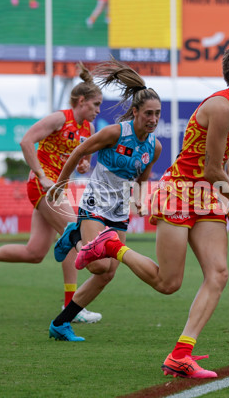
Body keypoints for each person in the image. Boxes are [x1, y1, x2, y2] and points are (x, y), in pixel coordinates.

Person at [73, 39, 229, 379]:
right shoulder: (222, 108)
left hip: (206, 194)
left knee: (218, 274)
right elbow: (211, 169)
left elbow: (217, 168)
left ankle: (181, 354)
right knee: (168, 283)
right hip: (180, 191)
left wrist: (228, 203)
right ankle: (111, 246)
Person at [0, 63, 103, 324]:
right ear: (81, 101)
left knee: (34, 253)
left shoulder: (88, 129)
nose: (98, 110)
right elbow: (26, 140)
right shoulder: (59, 118)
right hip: (44, 187)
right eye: (96, 104)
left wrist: (83, 163)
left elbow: (81, 158)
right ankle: (72, 308)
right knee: (74, 233)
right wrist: (42, 175)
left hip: (56, 188)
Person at [46, 58, 161, 341]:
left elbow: (143, 178)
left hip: (120, 211)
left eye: (158, 114)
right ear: (135, 111)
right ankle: (73, 236)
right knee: (97, 264)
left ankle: (61, 323)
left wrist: (139, 201)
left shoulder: (153, 146)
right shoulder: (113, 133)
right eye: (148, 113)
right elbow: (78, 152)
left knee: (107, 273)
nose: (154, 119)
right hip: (96, 203)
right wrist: (61, 184)